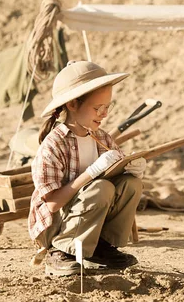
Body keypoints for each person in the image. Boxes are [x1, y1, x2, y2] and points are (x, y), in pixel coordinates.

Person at [28, 60, 146, 276]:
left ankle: (101, 247)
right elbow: (52, 204)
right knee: (100, 187)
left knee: (131, 184)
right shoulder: (53, 145)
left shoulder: (102, 138)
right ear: (72, 105)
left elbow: (117, 178)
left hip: (90, 217)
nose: (104, 114)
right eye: (97, 108)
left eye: (107, 107)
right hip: (56, 226)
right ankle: (62, 252)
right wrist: (90, 173)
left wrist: (131, 170)